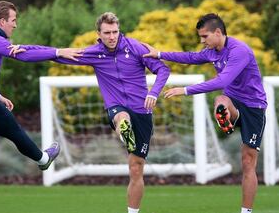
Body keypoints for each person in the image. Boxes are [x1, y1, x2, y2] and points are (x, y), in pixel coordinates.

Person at [12, 12, 170, 213]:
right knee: (121, 116)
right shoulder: (94, 53)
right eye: (107, 33)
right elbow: (57, 54)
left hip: (143, 111)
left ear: (119, 30)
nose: (112, 36)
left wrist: (154, 93)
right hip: (117, 107)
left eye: (115, 32)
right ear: (99, 33)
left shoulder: (137, 47)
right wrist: (22, 50)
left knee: (136, 168)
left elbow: (163, 69)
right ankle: (124, 130)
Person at [0, 1, 81, 213]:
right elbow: (25, 54)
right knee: (17, 133)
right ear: (2, 21)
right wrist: (58, 52)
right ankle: (43, 159)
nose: (15, 25)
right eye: (13, 20)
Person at [143, 13, 266, 213]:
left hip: (254, 107)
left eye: (204, 36)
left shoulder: (239, 51)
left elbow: (222, 81)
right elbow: (190, 57)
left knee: (248, 162)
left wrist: (185, 90)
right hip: (232, 100)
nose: (202, 41)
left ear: (218, 32)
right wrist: (159, 54)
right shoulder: (212, 50)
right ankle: (225, 115)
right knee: (221, 100)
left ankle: (246, 211)